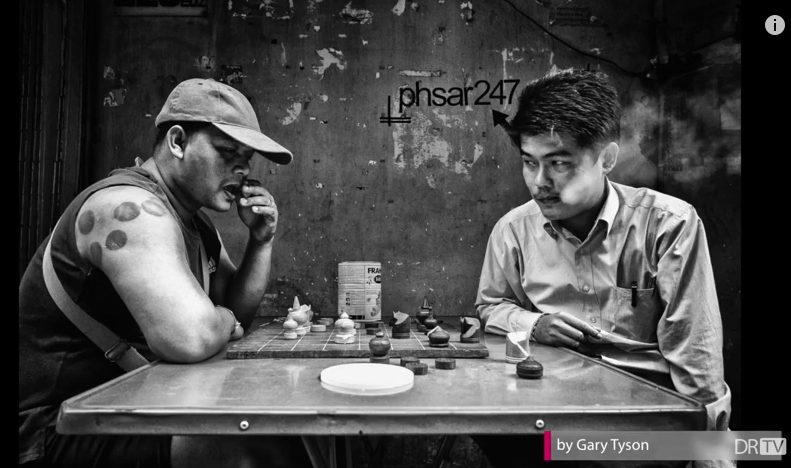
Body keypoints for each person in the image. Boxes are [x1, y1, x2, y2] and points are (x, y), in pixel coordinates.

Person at [19, 78, 313, 467]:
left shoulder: (197, 224)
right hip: (60, 431)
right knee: (246, 448)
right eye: (228, 152)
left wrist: (261, 241)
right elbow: (192, 338)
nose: (243, 169)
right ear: (177, 142)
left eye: (247, 158)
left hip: (137, 408)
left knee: (280, 430)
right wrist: (222, 320)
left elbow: (236, 313)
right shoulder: (128, 208)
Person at [472, 68, 731, 468]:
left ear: (606, 159)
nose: (539, 181)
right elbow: (490, 306)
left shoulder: (668, 225)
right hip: (549, 413)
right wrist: (534, 324)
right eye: (529, 162)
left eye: (559, 163)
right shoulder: (513, 231)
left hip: (643, 422)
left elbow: (695, 353)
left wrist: (711, 455)